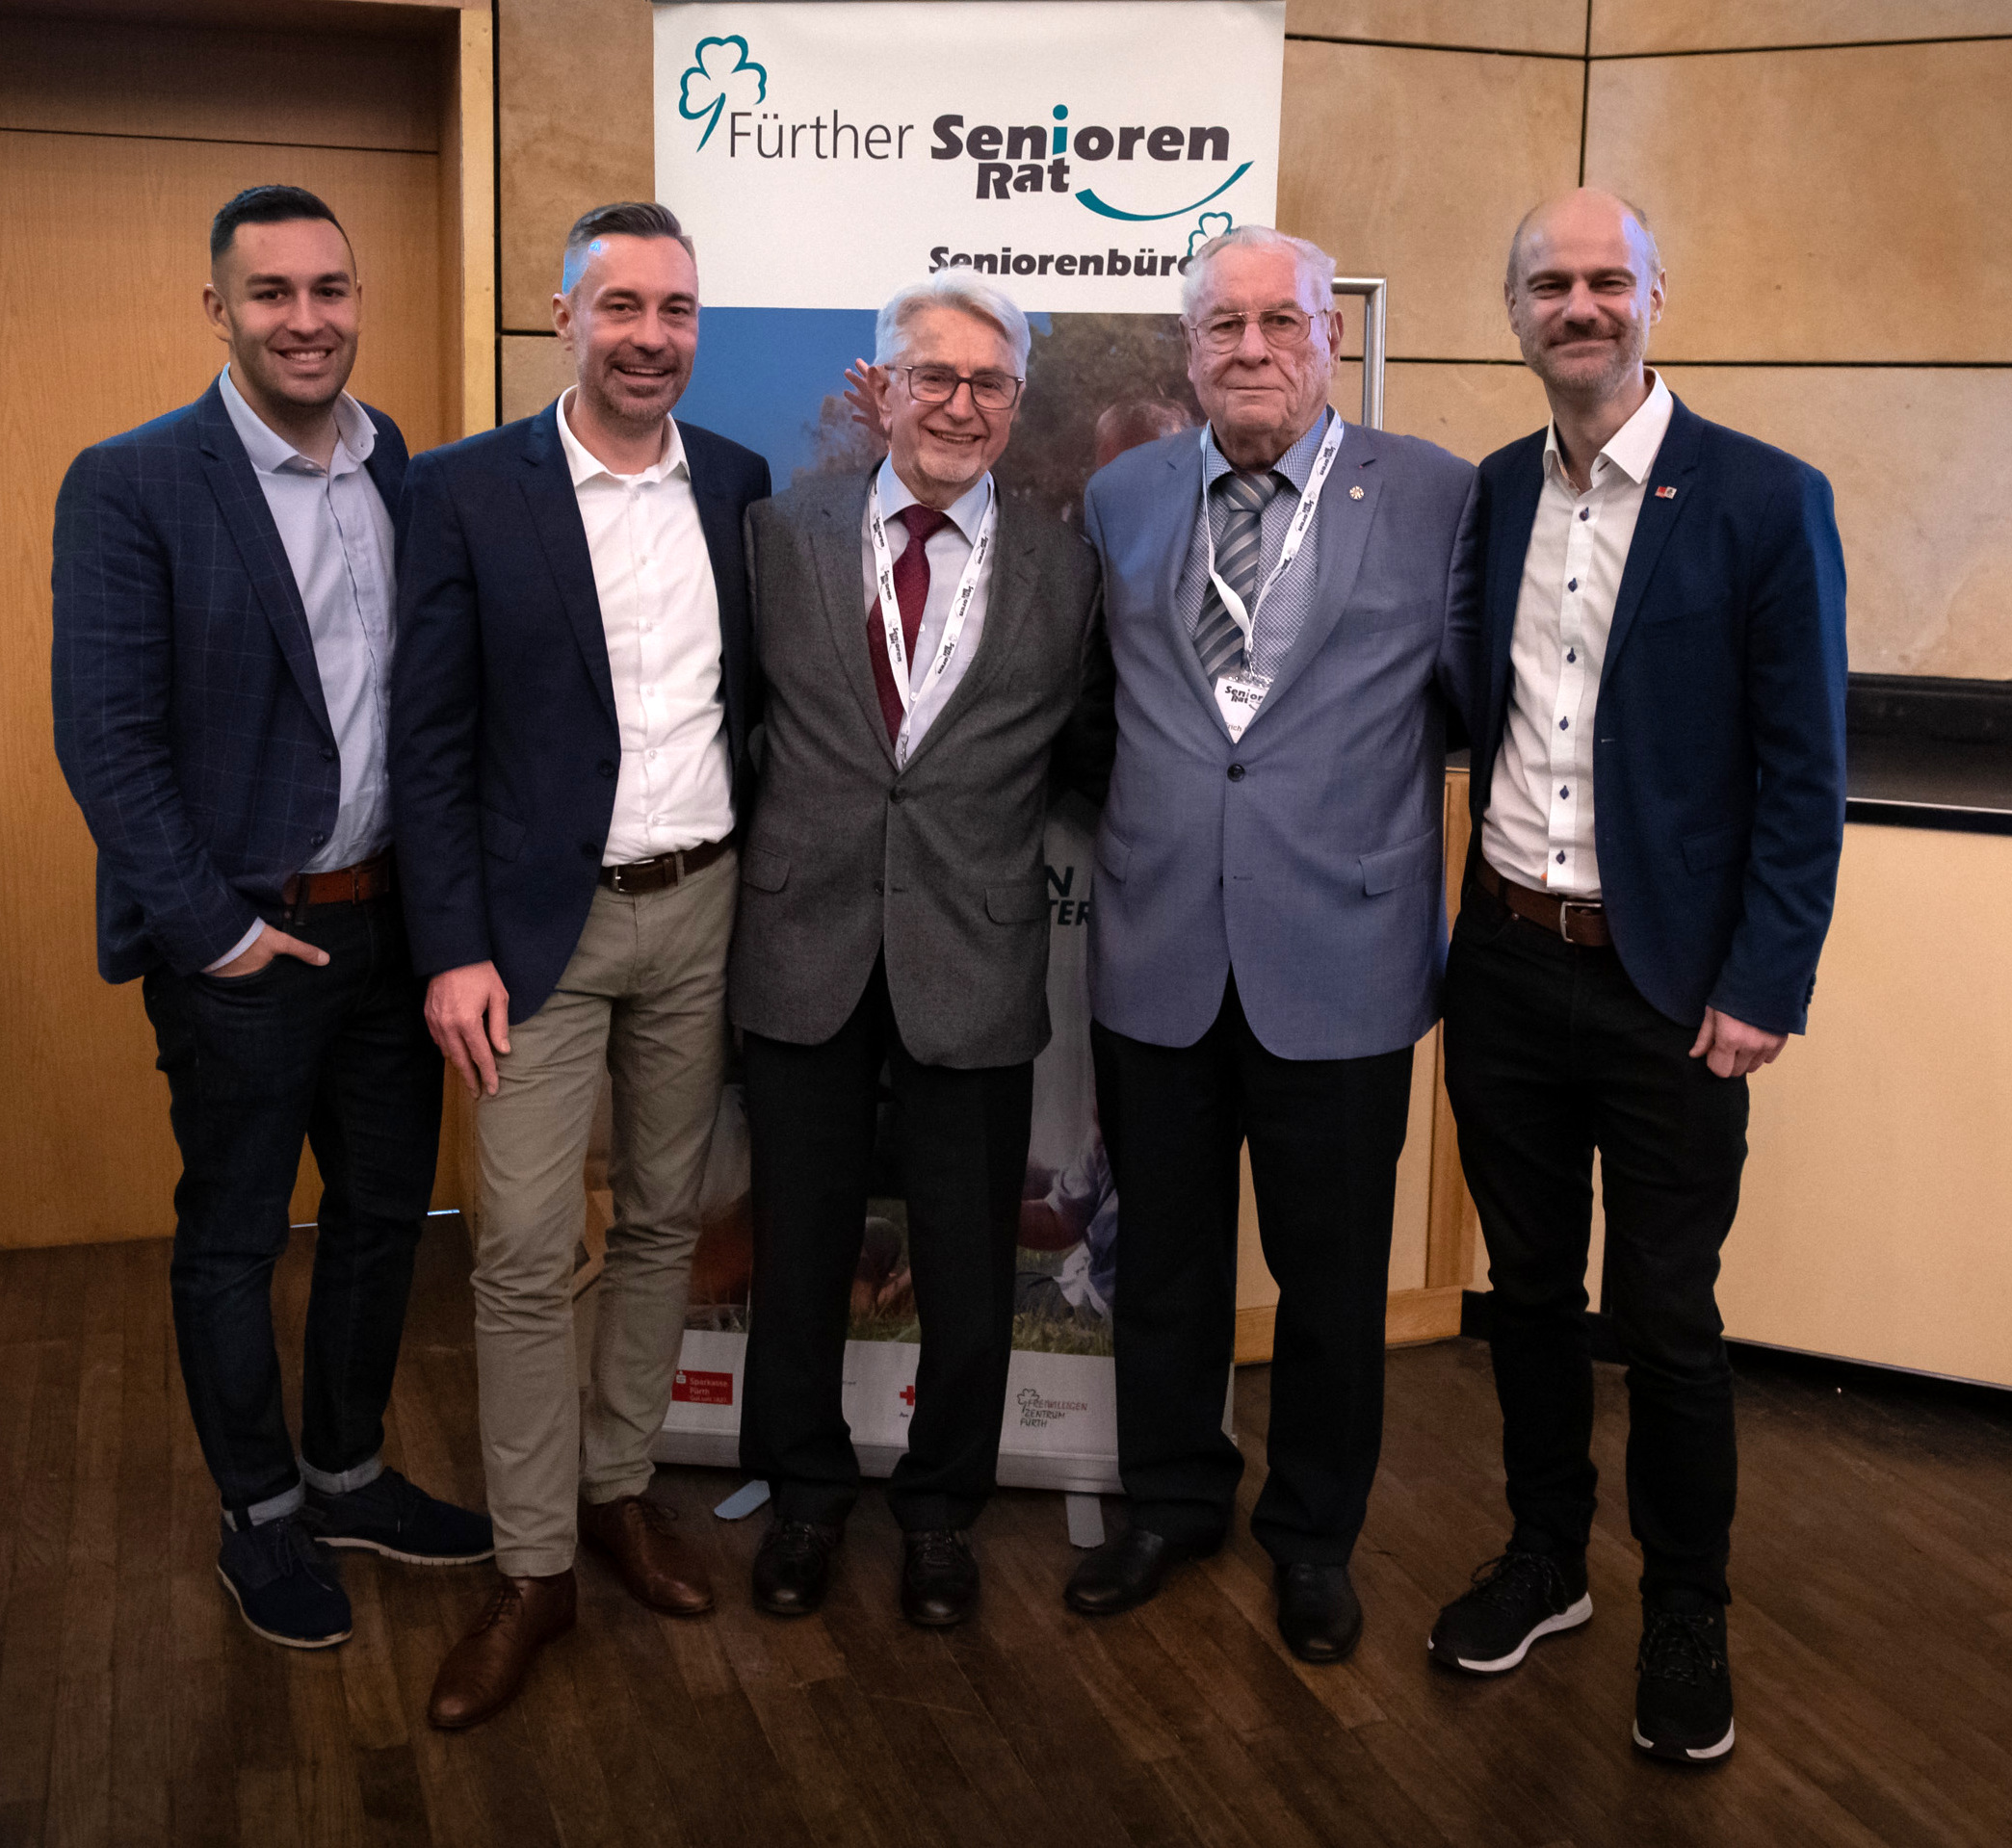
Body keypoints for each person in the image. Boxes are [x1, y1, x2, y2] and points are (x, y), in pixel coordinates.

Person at [1427, 189, 1846, 1764]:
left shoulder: (1762, 497)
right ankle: (1547, 1560)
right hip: (1505, 967)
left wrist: (1764, 982)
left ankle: (1685, 1612)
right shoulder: (1488, 494)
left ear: (1655, 296)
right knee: (1525, 1296)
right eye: (1549, 283)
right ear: (1515, 312)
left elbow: (1802, 773)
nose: (1578, 306)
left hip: (1671, 994)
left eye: (1607, 279)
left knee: (1665, 1317)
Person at [50, 186, 492, 1652]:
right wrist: (215, 932)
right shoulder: (132, 482)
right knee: (237, 1238)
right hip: (245, 946)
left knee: (382, 1218)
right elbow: (108, 741)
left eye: (329, 290)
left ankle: (347, 1476)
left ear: (358, 301)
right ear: (219, 311)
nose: (307, 320)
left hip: (389, 932)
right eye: (272, 294)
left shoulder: (395, 464)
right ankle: (259, 1514)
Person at [1063, 225, 1479, 1664]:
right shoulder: (1122, 495)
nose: (1250, 349)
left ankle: (1312, 1537)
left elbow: (1477, 702)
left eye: (1279, 323)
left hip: (1344, 952)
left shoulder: (1436, 495)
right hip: (1158, 940)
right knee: (1163, 1263)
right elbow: (1091, 703)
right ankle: (1172, 1502)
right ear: (1188, 350)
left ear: (1331, 337)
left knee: (1332, 1278)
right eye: (1222, 326)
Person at [390, 201, 770, 1728]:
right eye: (621, 307)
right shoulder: (463, 489)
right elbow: (427, 743)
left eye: (675, 310)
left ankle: (617, 1492)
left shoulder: (734, 483)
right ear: (563, 317)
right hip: (531, 935)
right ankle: (531, 1567)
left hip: (703, 909)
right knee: (525, 1252)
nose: (649, 337)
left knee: (668, 1218)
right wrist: (452, 947)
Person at [731, 273, 1112, 1628]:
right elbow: (735, 722)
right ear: (883, 388)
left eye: (987, 383)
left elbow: (1089, 754)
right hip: (804, 939)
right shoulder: (779, 533)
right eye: (932, 377)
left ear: (1016, 403)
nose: (959, 404)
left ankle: (943, 1512)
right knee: (799, 1246)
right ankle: (803, 1495)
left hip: (975, 948)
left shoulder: (1069, 571)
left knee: (966, 1258)